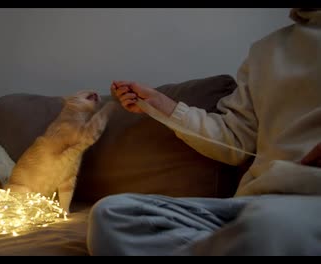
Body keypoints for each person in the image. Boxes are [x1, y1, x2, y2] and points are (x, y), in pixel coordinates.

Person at [87, 8, 321, 256]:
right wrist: (163, 106)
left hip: (306, 203)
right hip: (251, 204)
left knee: (270, 227)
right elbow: (235, 138)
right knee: (113, 213)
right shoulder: (268, 50)